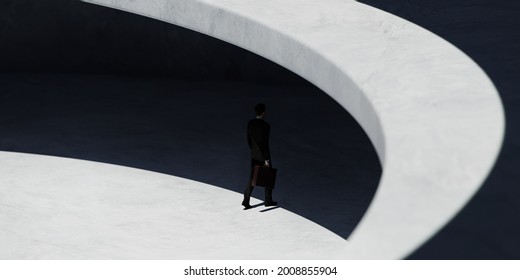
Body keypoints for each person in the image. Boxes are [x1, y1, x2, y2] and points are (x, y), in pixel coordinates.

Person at [242, 103, 277, 210]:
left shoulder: (250, 123)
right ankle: (268, 200)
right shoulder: (266, 126)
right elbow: (265, 143)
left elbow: (249, 140)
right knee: (268, 176)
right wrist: (266, 159)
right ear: (264, 113)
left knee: (252, 178)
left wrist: (253, 150)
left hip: (254, 154)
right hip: (264, 155)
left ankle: (246, 200)